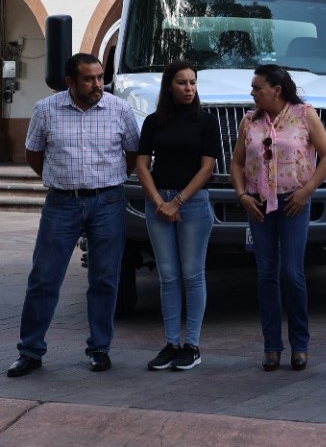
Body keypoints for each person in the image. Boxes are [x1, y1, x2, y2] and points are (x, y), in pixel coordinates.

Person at [6, 53, 140, 377]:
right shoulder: (45, 110)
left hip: (107, 201)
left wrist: (109, 184)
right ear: (70, 82)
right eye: (89, 79)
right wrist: (60, 181)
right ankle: (30, 350)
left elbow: (133, 154)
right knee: (44, 278)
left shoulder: (119, 109)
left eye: (99, 77)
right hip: (61, 204)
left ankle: (99, 349)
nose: (97, 84)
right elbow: (34, 154)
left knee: (105, 279)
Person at [230, 65, 326, 372]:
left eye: (257, 88)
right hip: (259, 205)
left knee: (292, 272)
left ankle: (300, 345)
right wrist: (241, 195)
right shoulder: (249, 121)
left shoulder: (304, 115)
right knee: (266, 274)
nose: (253, 93)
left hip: (293, 202)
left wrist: (307, 192)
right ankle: (271, 346)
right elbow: (237, 162)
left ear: (276, 90)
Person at [135, 61, 220, 371]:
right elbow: (142, 165)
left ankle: (192, 345)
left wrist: (179, 202)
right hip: (158, 204)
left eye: (193, 83)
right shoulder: (154, 121)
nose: (189, 88)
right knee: (168, 275)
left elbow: (207, 167)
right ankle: (171, 343)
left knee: (192, 274)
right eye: (182, 83)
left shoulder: (206, 122)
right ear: (169, 86)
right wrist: (160, 201)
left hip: (193, 204)